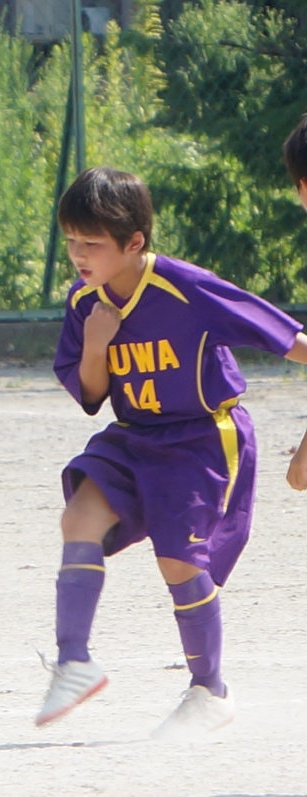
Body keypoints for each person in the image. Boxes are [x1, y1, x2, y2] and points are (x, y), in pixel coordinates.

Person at [36, 166, 307, 739]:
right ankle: (74, 660)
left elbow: (287, 337)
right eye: (71, 241)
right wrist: (96, 346)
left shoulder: (187, 287)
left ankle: (210, 690)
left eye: (92, 243)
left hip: (201, 438)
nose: (78, 254)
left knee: (178, 561)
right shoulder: (84, 302)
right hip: (133, 435)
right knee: (79, 519)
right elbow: (91, 396)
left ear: (134, 242)